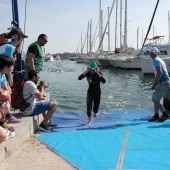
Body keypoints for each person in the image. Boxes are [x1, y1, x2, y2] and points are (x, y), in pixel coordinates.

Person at [78, 61, 106, 126]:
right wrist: (86, 71)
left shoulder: (99, 73)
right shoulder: (87, 73)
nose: (92, 71)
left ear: (96, 68)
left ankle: (95, 112)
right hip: (90, 91)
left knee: (96, 106)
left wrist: (98, 73)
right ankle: (89, 120)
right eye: (91, 69)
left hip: (97, 92)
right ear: (89, 68)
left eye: (93, 69)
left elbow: (104, 81)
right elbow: (79, 78)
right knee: (88, 106)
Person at [148, 47, 170, 122]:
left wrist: (155, 84)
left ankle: (165, 114)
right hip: (163, 82)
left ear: (152, 53)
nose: (149, 54)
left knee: (155, 99)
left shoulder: (156, 60)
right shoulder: (159, 59)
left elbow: (159, 72)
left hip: (163, 82)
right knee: (155, 99)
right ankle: (156, 115)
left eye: (150, 53)